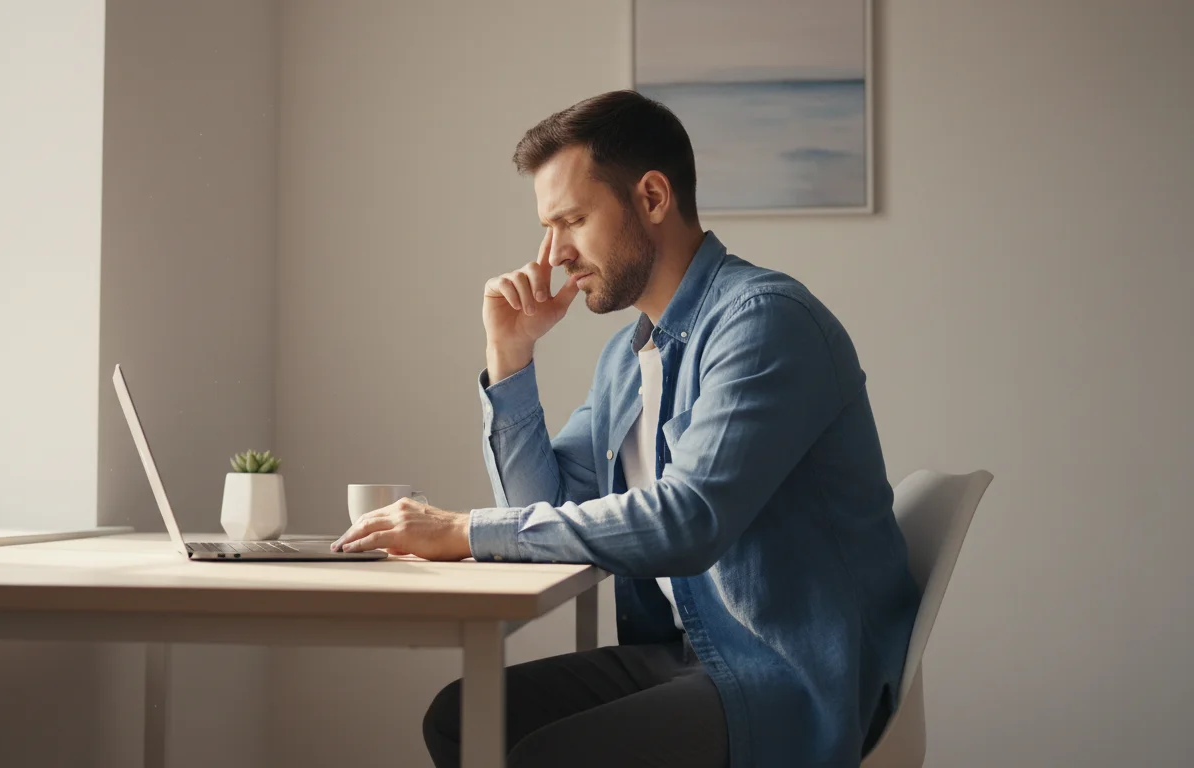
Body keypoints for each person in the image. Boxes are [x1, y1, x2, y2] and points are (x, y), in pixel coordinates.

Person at [331, 90, 921, 768]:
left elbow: (687, 520)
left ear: (652, 197)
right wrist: (511, 358)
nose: (554, 257)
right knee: (463, 721)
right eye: (548, 229)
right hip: (688, 650)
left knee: (548, 755)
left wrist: (462, 531)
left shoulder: (763, 323)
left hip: (784, 672)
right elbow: (541, 511)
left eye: (573, 221)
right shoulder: (627, 357)